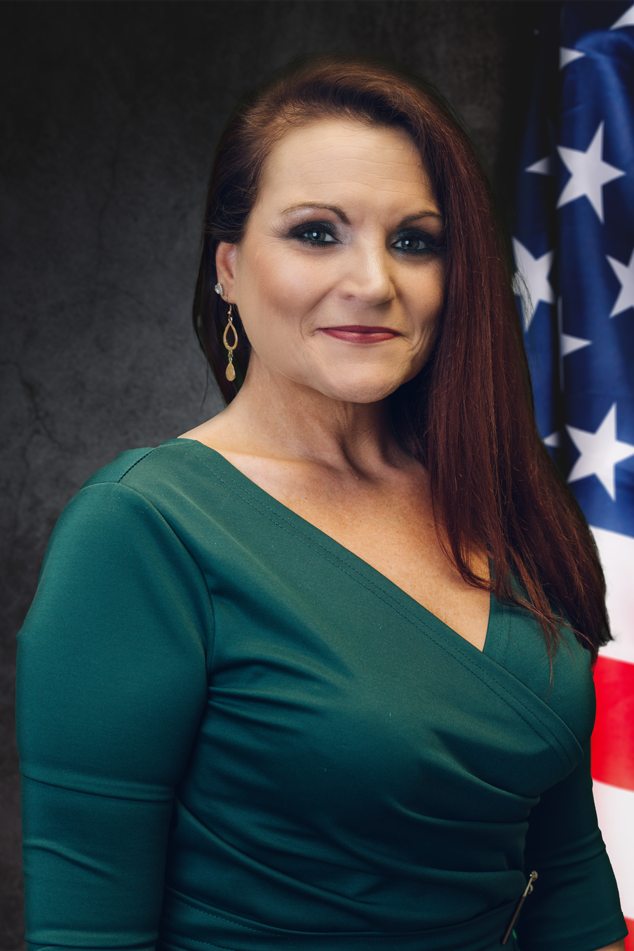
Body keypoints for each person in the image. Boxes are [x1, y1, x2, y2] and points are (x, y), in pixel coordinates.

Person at [16, 53, 628, 951]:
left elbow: (569, 880)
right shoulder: (140, 528)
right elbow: (88, 932)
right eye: (316, 232)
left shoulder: (501, 498)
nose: (374, 282)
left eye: (414, 241)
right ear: (227, 268)